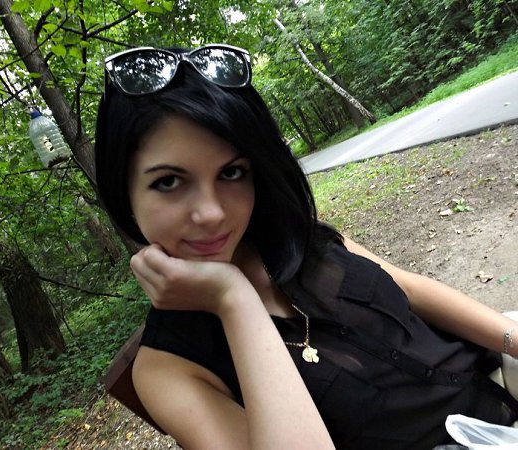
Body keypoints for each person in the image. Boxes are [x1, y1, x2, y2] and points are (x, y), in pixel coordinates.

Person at [95, 44, 518, 449]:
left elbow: (408, 287)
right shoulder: (168, 367)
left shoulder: (296, 238)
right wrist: (233, 299)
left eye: (232, 173)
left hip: (498, 382)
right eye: (168, 182)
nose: (211, 213)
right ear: (123, 195)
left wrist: (512, 339)